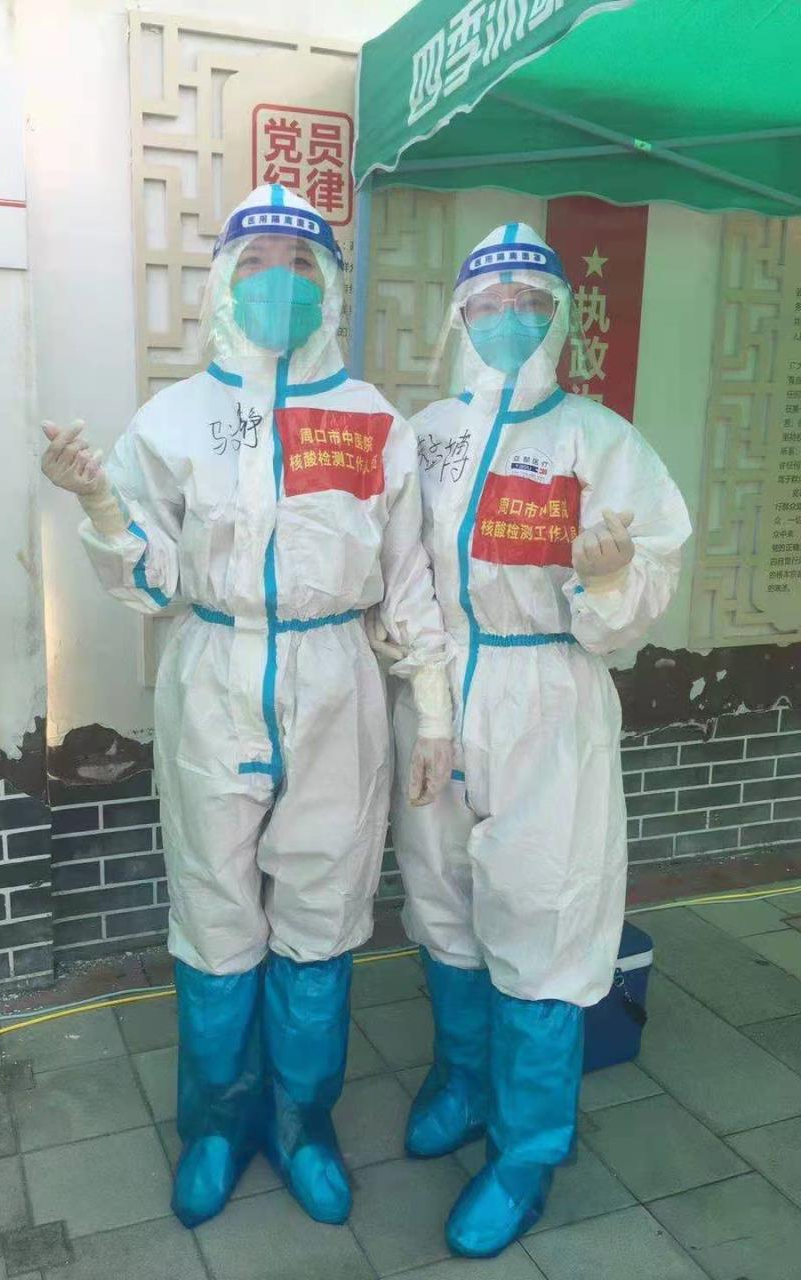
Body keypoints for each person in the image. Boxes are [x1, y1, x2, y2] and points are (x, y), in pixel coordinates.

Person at [39, 184, 453, 1229]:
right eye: (258, 260)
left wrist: (436, 703)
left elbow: (406, 575)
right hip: (216, 671)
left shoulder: (372, 420)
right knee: (214, 906)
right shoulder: (173, 419)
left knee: (322, 907)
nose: (280, 280)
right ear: (224, 281)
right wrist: (99, 501)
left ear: (331, 287)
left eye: (301, 264)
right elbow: (153, 579)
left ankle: (305, 1123)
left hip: (336, 677)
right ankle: (218, 1126)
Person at [371, 223, 691, 1258]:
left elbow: (646, 582)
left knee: (543, 916)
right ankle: (463, 1079)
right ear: (458, 317)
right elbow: (401, 571)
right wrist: (428, 699)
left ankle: (526, 1152)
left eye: (529, 301)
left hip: (549, 696)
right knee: (441, 896)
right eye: (489, 301)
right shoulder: (427, 435)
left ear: (558, 318)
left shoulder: (601, 441)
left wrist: (607, 579)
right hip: (439, 695)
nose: (508, 316)